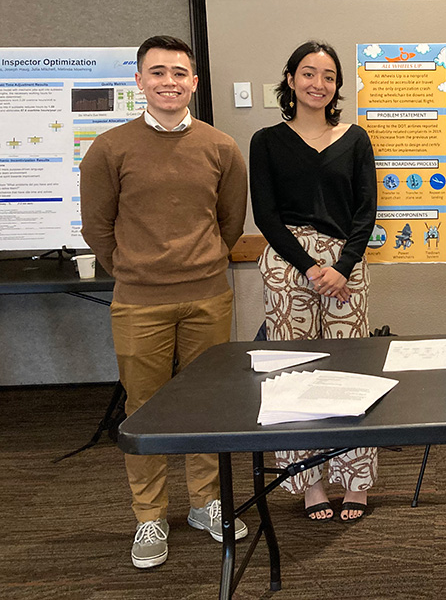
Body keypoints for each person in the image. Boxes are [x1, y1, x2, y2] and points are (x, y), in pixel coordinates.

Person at [80, 35, 249, 568]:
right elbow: (97, 228)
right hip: (139, 303)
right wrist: (134, 268)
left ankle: (206, 503)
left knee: (207, 405)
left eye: (179, 73)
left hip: (208, 297)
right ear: (139, 81)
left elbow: (230, 222)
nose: (169, 81)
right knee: (145, 408)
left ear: (194, 83)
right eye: (158, 73)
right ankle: (149, 517)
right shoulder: (109, 148)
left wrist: (201, 262)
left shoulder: (221, 147)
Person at [249, 41, 378, 523]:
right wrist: (308, 265)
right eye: (308, 73)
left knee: (352, 370)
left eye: (328, 76)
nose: (317, 84)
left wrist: (341, 267)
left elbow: (367, 211)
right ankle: (310, 483)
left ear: (337, 85)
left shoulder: (356, 138)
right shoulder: (266, 140)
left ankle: (356, 480)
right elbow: (266, 214)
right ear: (289, 79)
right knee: (293, 372)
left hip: (347, 262)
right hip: (289, 264)